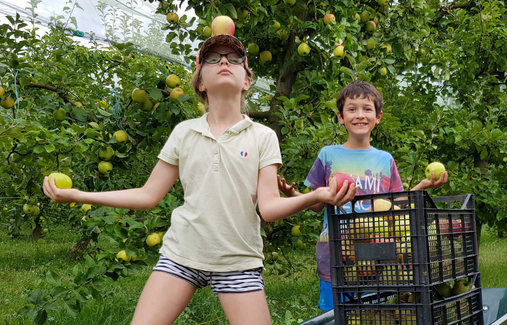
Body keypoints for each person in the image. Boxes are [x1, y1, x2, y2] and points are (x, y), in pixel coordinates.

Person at [42, 31, 357, 325]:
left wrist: (316, 196)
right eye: (213, 58)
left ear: (247, 81)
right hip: (182, 255)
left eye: (234, 59)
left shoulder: (263, 137)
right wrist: (79, 195)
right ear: (201, 83)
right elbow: (148, 195)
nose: (223, 62)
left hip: (239, 261)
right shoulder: (184, 133)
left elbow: (269, 209)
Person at [278, 81, 449, 311]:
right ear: (340, 117)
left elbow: (393, 204)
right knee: (335, 314)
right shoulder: (328, 155)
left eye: (367, 109)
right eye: (352, 109)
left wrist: (422, 185)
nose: (360, 115)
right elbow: (317, 204)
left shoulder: (385, 159)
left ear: (378, 116)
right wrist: (294, 194)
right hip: (335, 254)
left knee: (372, 314)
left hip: (375, 254)